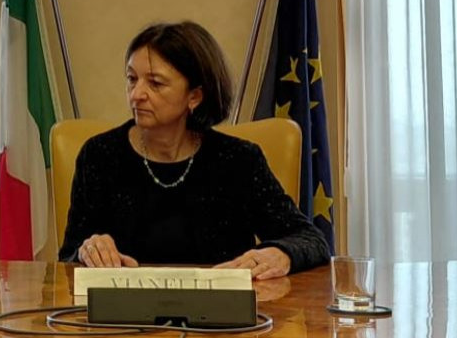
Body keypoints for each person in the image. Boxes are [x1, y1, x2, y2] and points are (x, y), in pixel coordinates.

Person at [58, 21, 329, 279]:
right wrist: (87, 250)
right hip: (124, 310)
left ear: (195, 96)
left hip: (221, 310)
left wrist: (281, 253)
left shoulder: (238, 161)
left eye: (155, 83)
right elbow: (68, 258)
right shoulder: (100, 155)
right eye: (132, 79)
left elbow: (311, 239)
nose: (136, 94)